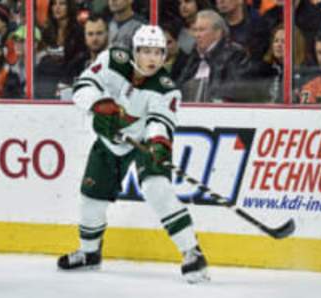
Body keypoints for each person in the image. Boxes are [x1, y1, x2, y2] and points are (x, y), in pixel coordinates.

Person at [57, 25, 209, 284]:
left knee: (156, 188)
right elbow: (83, 85)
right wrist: (98, 105)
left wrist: (157, 143)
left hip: (143, 142)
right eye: (146, 51)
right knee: (91, 198)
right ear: (134, 51)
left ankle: (192, 253)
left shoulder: (166, 88)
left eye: (158, 52)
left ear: (165, 55)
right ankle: (89, 253)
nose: (152, 58)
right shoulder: (111, 60)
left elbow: (160, 121)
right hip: (110, 143)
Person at [176, 9, 250, 102]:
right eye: (195, 30)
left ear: (218, 32)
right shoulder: (194, 56)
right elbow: (179, 88)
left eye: (201, 30)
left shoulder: (235, 54)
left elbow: (233, 92)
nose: (197, 35)